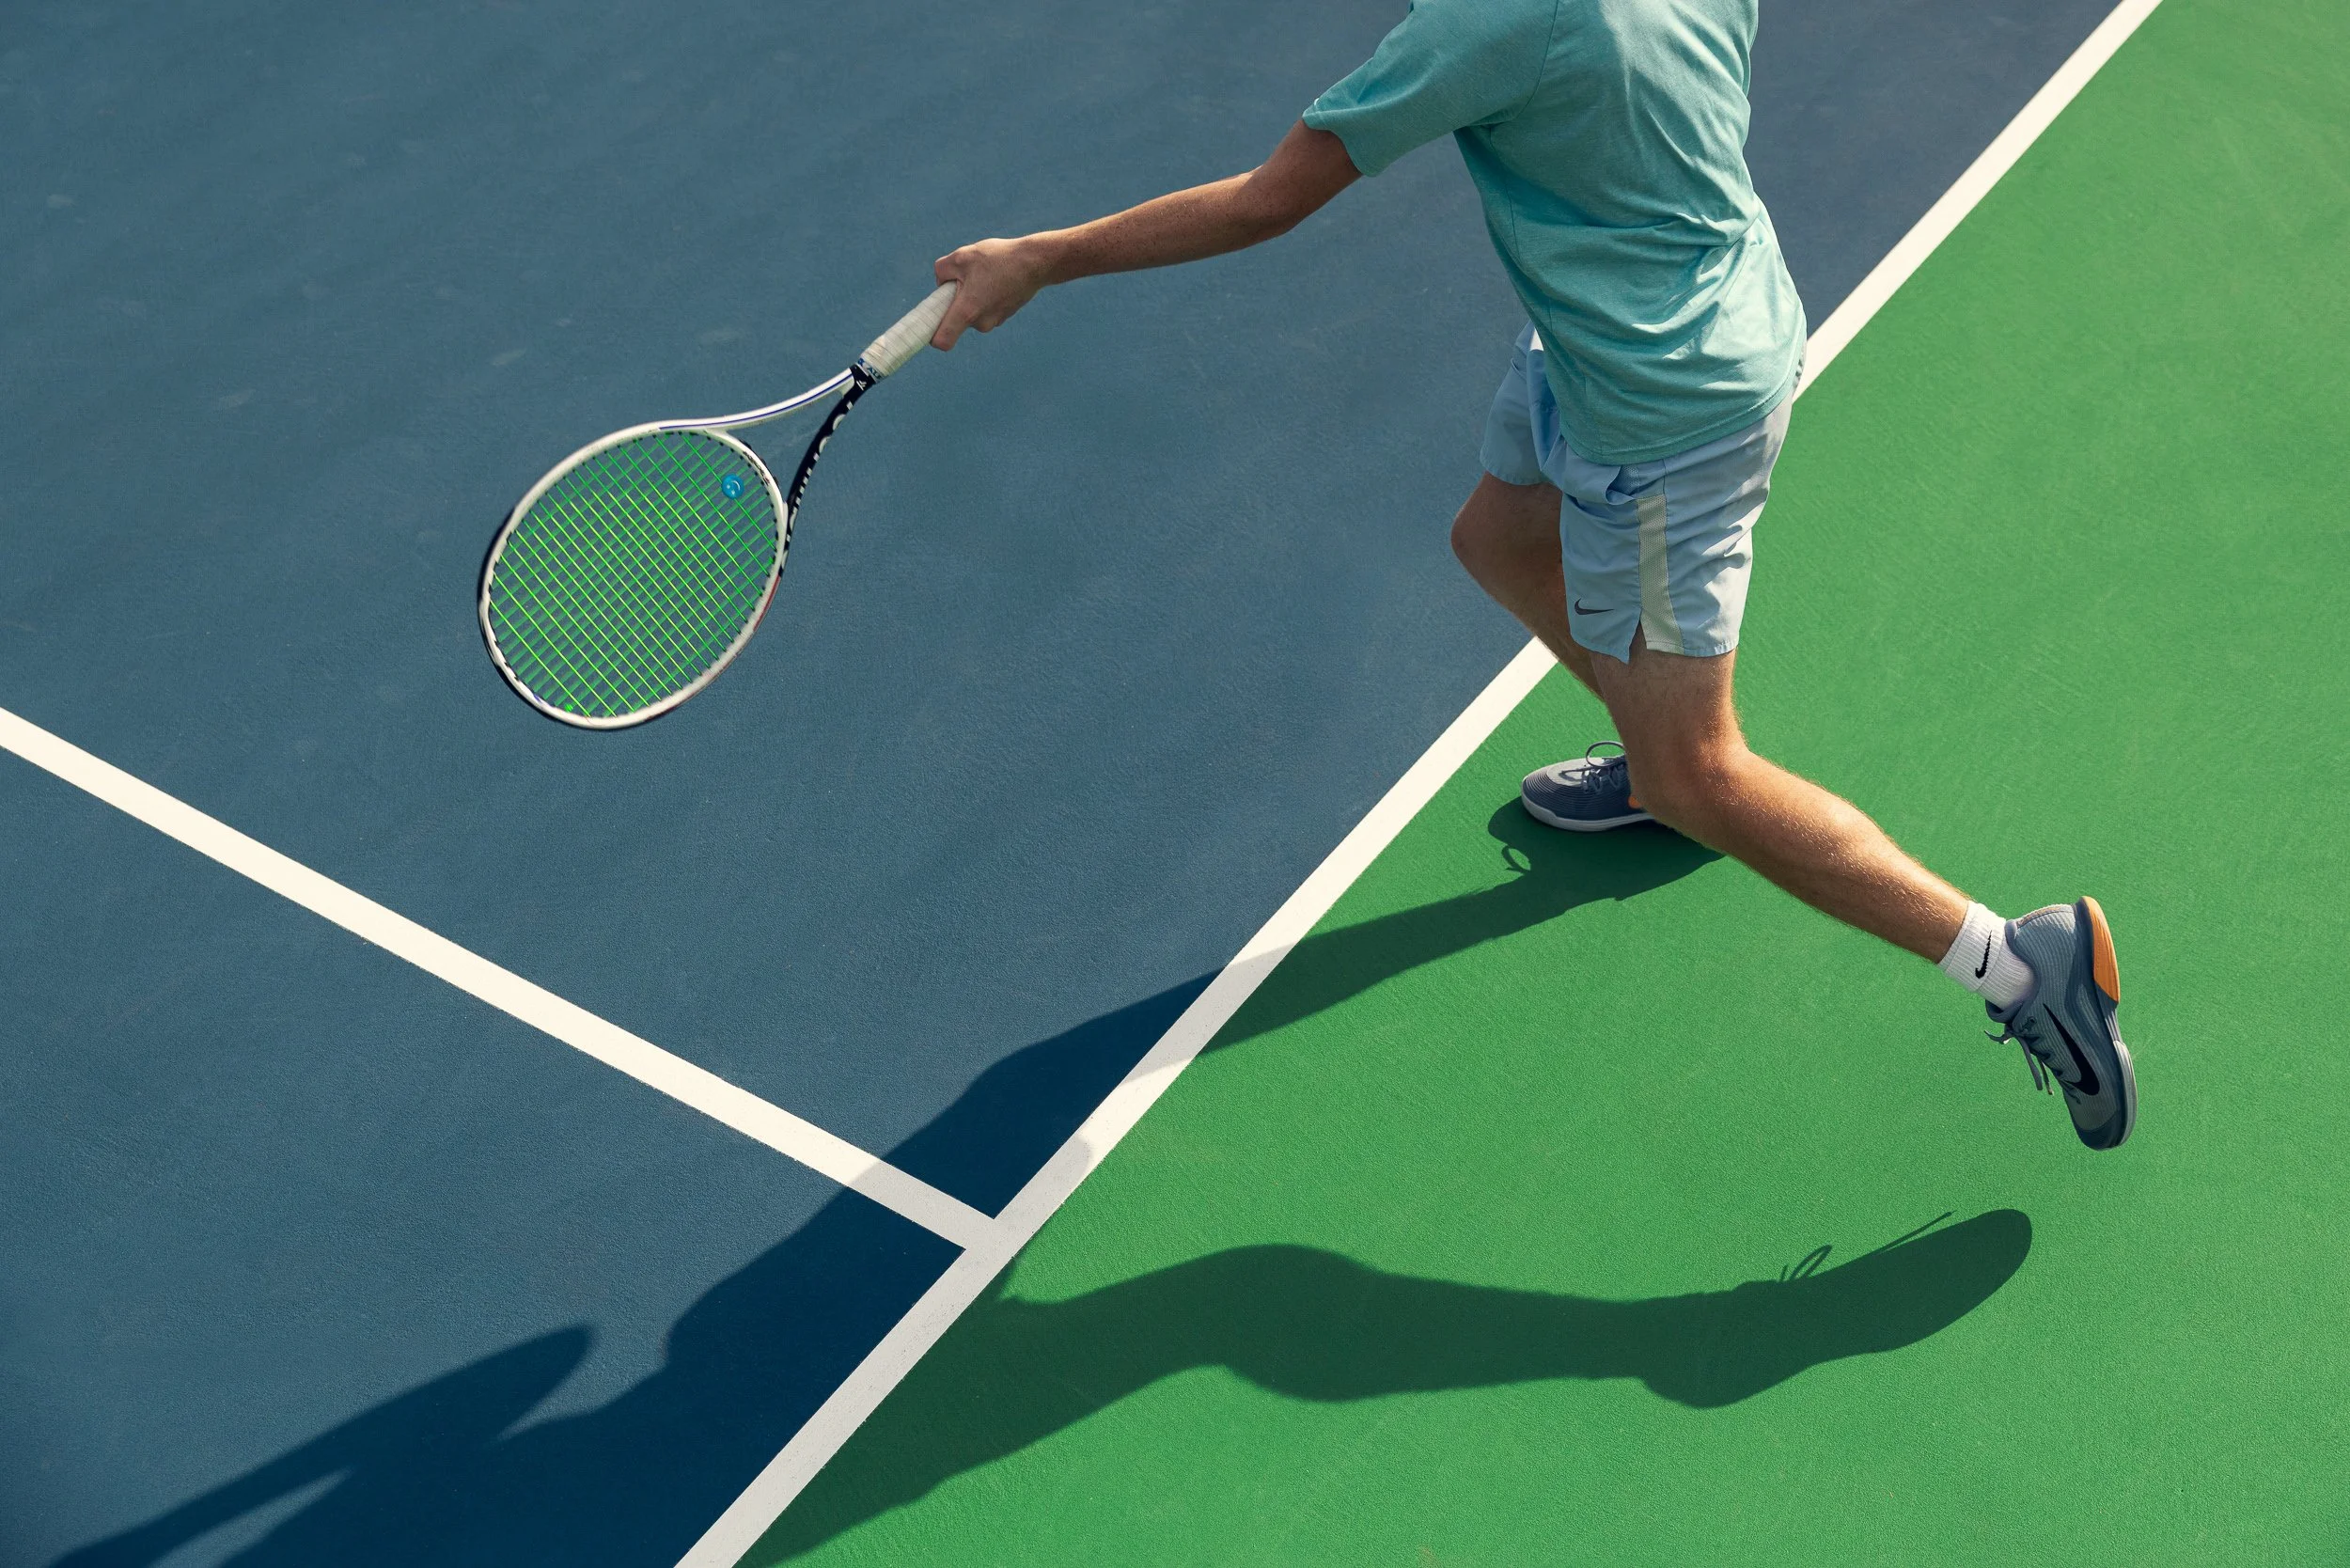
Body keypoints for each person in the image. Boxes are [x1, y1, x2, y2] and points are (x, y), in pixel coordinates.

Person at [924, 0, 2134, 1149]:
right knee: (1495, 542)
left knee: (1702, 767)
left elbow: (1265, 203)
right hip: (1624, 326)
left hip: (1663, 416)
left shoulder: (1490, 21)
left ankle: (2018, 962)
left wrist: (1041, 257)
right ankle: (1664, 768)